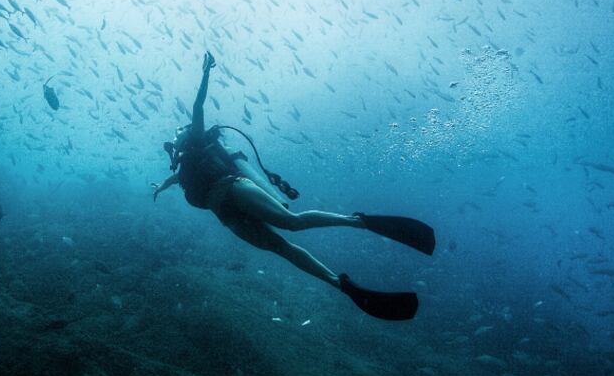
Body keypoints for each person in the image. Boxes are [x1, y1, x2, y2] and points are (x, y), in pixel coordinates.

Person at [153, 52, 435, 321]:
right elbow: (177, 179)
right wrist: (161, 186)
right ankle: (341, 285)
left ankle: (358, 221)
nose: (176, 135)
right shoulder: (185, 167)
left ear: (189, 133)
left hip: (233, 188)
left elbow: (197, 106)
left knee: (292, 222)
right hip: (227, 216)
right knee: (281, 248)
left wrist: (205, 74)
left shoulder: (199, 140)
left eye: (180, 131)